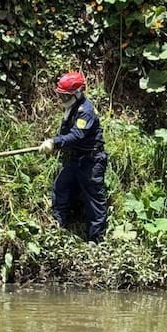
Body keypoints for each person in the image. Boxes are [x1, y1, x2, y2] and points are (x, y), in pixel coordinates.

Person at [38, 70, 109, 243]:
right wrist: (56, 145)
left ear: (77, 93)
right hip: (76, 158)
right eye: (61, 95)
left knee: (94, 200)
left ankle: (96, 240)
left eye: (65, 95)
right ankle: (58, 225)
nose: (62, 99)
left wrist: (55, 142)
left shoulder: (86, 110)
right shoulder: (71, 108)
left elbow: (77, 135)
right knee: (60, 187)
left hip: (91, 161)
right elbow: (65, 132)